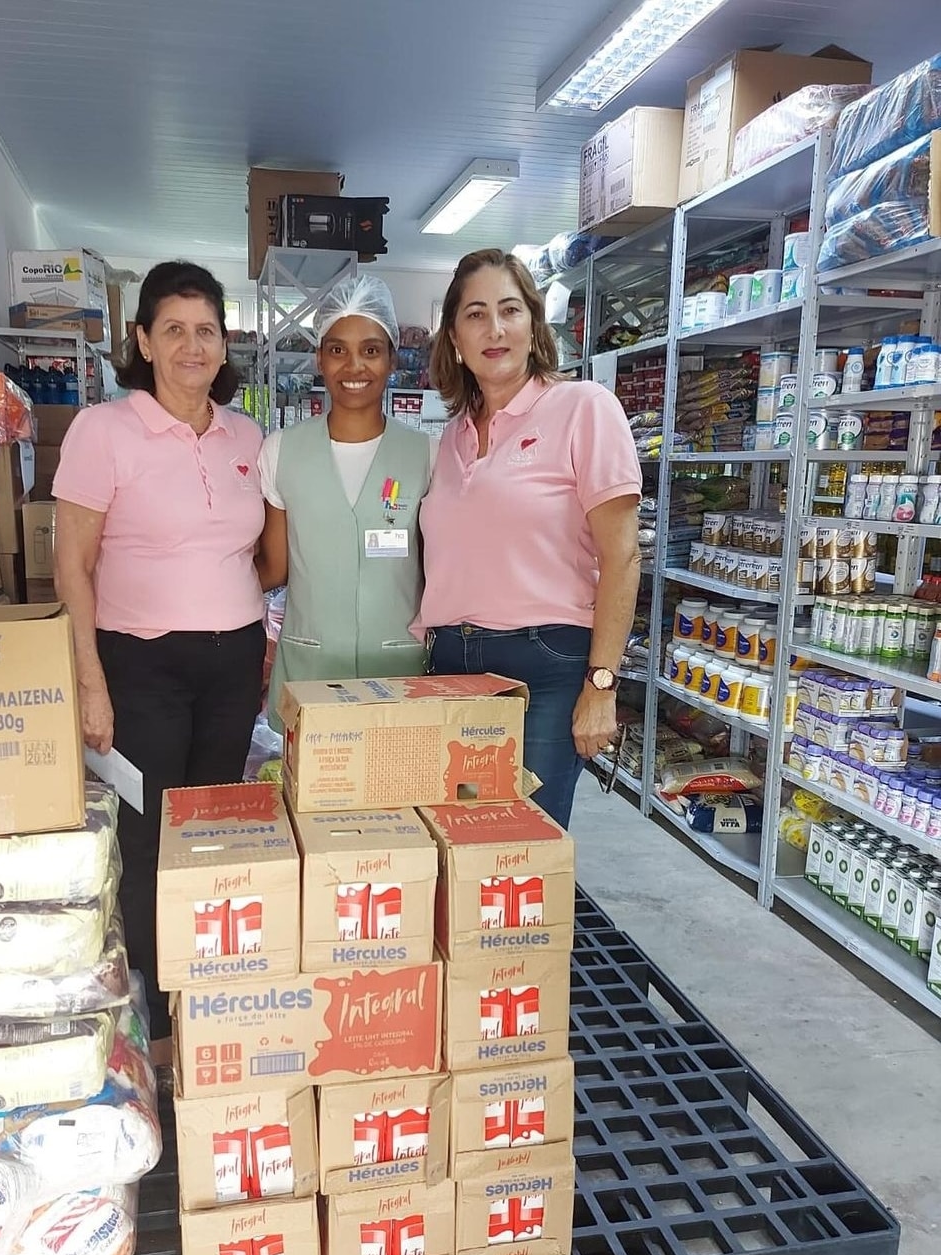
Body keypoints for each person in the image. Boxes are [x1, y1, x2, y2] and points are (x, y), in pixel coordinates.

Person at [52, 260, 266, 1066]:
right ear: (142, 340)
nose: (191, 345)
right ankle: (162, 1018)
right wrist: (90, 682)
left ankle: (205, 989)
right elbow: (72, 566)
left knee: (208, 832)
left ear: (224, 343)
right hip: (140, 665)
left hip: (233, 662)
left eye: (206, 329)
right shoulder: (104, 431)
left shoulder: (246, 436)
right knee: (145, 838)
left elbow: (258, 555)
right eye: (172, 329)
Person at [413, 248, 641, 831]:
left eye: (510, 310)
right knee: (461, 835)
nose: (495, 329)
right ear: (454, 338)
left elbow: (622, 555)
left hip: (546, 665)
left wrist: (602, 684)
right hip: (452, 662)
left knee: (521, 841)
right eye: (475, 314)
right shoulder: (452, 438)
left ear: (534, 324)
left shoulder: (584, 408)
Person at [256, 275, 432, 728]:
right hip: (310, 671)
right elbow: (273, 568)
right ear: (319, 357)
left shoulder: (426, 455)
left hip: (397, 671)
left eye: (371, 350)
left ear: (392, 358)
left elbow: (438, 569)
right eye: (337, 350)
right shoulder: (280, 451)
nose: (355, 366)